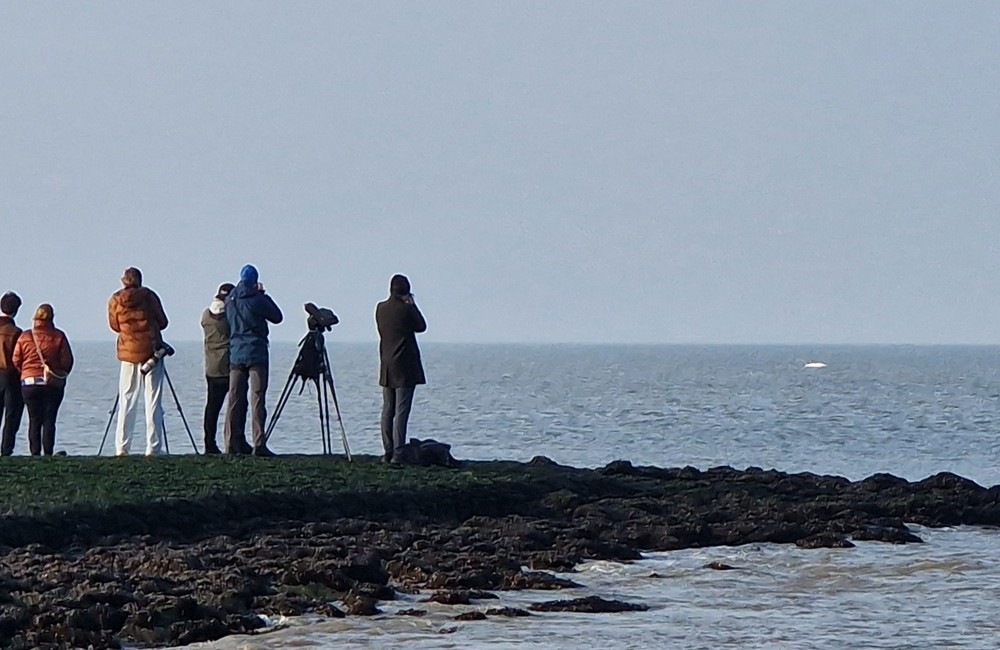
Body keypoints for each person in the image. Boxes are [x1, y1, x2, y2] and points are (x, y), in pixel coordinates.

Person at [108, 267, 169, 456]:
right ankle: (153, 446)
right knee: (153, 400)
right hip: (151, 352)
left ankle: (122, 447)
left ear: (124, 281)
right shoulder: (149, 296)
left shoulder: (115, 300)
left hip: (128, 353)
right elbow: (163, 322)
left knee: (127, 399)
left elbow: (114, 325)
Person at [225, 264, 282, 457]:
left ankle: (231, 442)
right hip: (256, 353)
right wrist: (264, 295)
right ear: (255, 281)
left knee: (234, 399)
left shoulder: (230, 299)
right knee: (257, 398)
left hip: (235, 354)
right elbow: (277, 316)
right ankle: (259, 443)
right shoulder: (257, 299)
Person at [375, 274, 427, 464]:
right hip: (405, 365)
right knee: (402, 411)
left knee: (388, 410)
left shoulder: (380, 309)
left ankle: (387, 450)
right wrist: (411, 304)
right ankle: (398, 452)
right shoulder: (406, 309)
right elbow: (421, 326)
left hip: (387, 364)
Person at [12, 304, 73, 456]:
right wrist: (58, 371)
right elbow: (67, 362)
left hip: (29, 383)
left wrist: (25, 372)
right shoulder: (58, 336)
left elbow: (16, 359)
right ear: (52, 317)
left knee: (34, 420)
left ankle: (34, 453)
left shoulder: (25, 336)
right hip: (52, 383)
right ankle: (48, 452)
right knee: (49, 419)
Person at [201, 282, 234, 455]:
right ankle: (232, 441)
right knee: (234, 405)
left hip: (210, 366)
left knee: (211, 406)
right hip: (228, 366)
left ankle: (209, 442)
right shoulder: (229, 316)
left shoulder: (206, 316)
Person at [0, 292, 24, 456]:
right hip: (10, 374)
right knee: (12, 413)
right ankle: (6, 449)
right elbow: (19, 358)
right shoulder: (16, 332)